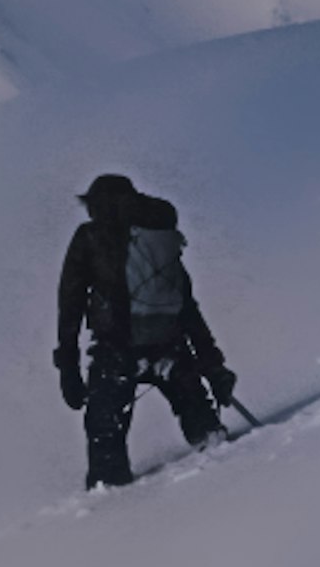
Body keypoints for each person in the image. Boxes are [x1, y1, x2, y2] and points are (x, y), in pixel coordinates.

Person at [54, 172, 238, 488]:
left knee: (104, 435)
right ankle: (239, 476)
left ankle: (110, 513)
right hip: (171, 345)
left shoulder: (91, 236)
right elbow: (187, 305)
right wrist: (213, 366)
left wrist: (68, 368)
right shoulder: (159, 233)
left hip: (117, 349)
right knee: (205, 429)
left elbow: (70, 303)